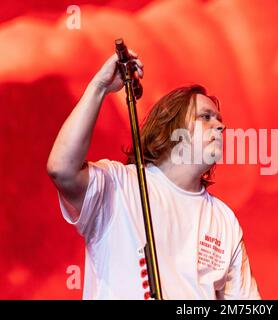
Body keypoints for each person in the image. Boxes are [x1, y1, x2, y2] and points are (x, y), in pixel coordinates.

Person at [46, 49, 261, 300]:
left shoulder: (224, 220)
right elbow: (61, 169)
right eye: (206, 117)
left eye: (220, 120)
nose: (221, 126)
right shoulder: (118, 186)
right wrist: (100, 87)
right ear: (171, 127)